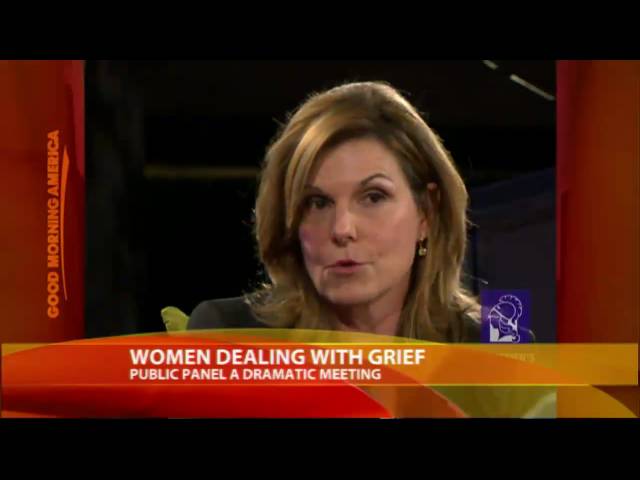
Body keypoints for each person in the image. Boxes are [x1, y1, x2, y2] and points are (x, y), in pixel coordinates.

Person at [188, 81, 482, 342]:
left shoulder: (492, 340)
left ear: (427, 211)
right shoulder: (226, 333)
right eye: (318, 203)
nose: (342, 229)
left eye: (373, 197)